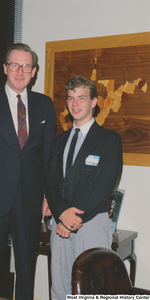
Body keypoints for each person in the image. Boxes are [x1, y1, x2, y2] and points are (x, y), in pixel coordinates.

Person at [0, 42, 56, 300]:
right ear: (5, 68)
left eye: (26, 66)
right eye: (14, 64)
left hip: (30, 200)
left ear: (34, 71)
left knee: (27, 269)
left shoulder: (44, 105)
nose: (20, 71)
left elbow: (49, 156)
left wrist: (49, 196)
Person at [45, 76, 122, 299]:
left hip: (90, 224)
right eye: (71, 98)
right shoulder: (59, 141)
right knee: (60, 287)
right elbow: (50, 181)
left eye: (81, 98)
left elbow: (104, 185)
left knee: (92, 290)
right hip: (59, 225)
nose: (75, 104)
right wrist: (61, 214)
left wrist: (71, 219)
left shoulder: (109, 140)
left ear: (94, 102)